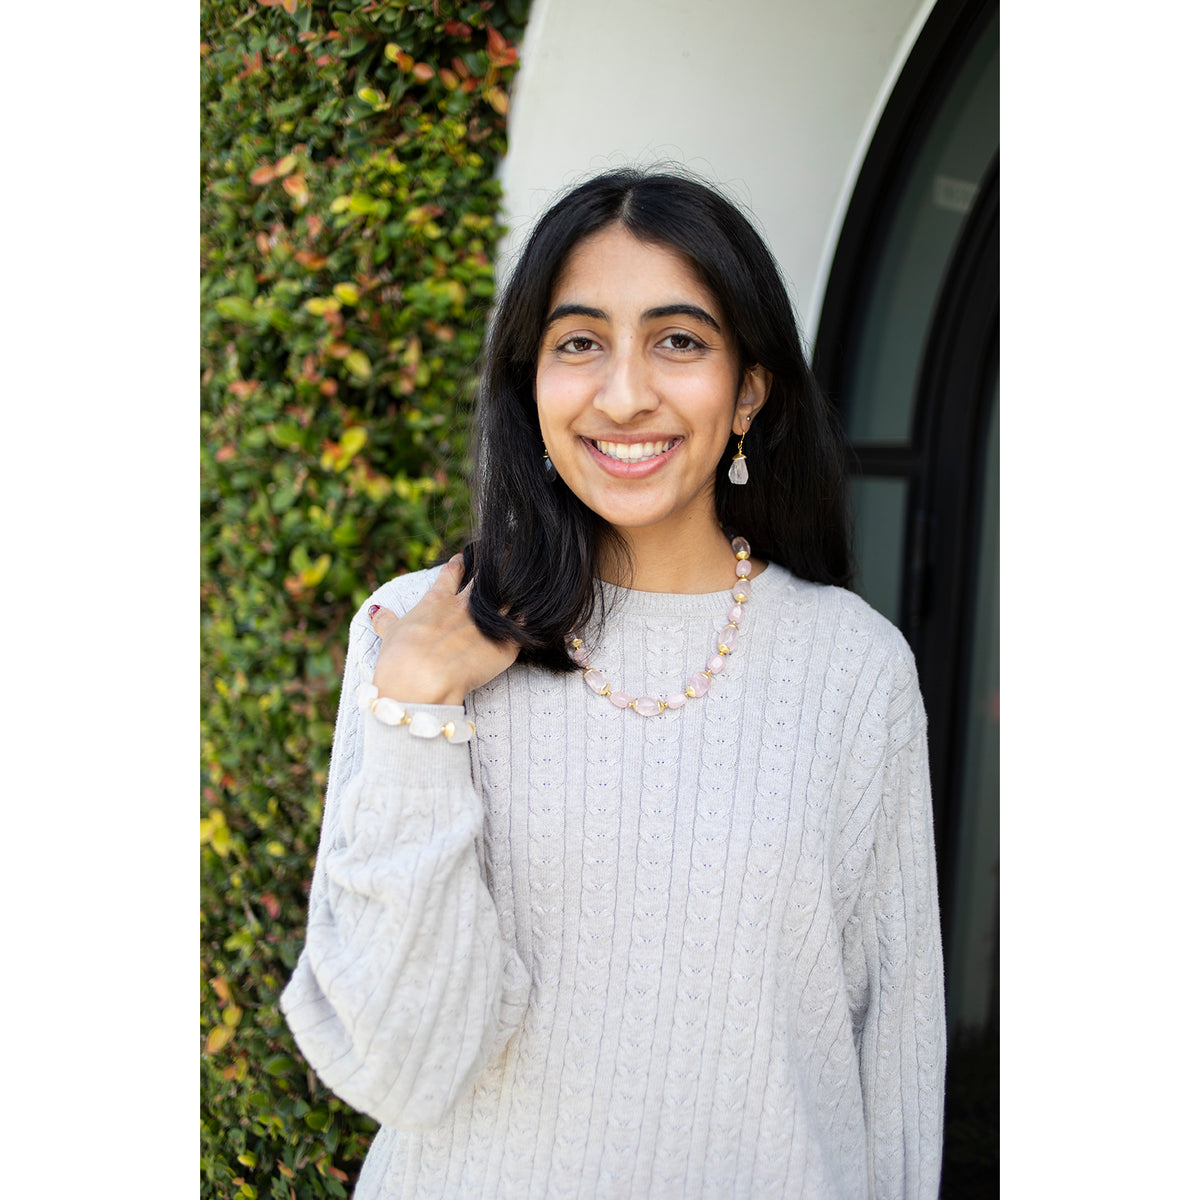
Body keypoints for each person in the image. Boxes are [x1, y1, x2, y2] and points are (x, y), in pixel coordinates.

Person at [281, 169, 946, 1199]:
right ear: (530, 380)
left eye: (679, 341)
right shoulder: (419, 629)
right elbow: (402, 1069)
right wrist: (416, 709)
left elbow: (893, 1057)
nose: (625, 392)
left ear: (751, 391)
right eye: (579, 342)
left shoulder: (852, 669)